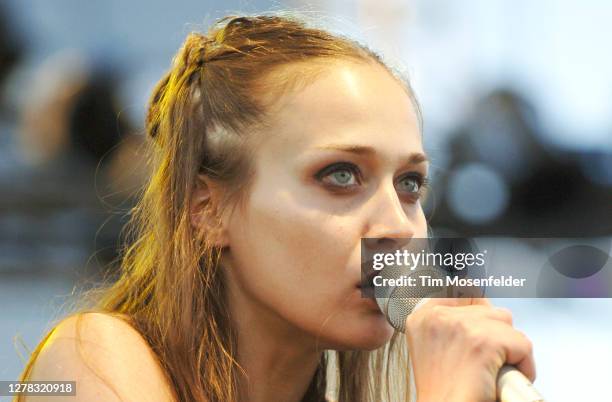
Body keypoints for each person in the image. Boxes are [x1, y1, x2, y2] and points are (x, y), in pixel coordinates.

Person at [17, 13, 535, 402]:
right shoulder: (95, 359)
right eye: (340, 175)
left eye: (410, 184)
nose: (398, 227)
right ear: (208, 209)